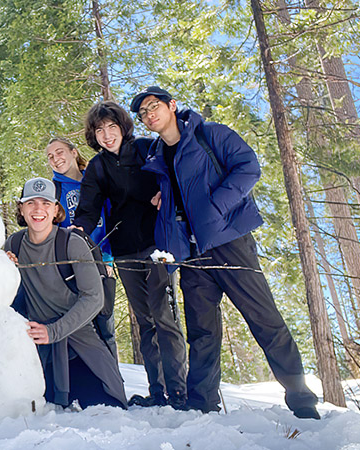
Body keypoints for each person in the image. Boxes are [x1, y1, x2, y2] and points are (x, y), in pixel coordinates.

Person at [132, 86, 319, 419]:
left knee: (264, 319)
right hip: (192, 255)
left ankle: (301, 398)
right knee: (202, 332)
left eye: (153, 106)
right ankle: (201, 404)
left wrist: (215, 208)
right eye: (143, 113)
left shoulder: (209, 134)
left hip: (230, 243)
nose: (149, 115)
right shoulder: (158, 158)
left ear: (172, 105)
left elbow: (248, 167)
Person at [73, 101, 189, 409]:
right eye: (100, 130)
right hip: (125, 252)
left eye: (112, 128)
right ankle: (157, 391)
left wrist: (167, 194)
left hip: (157, 246)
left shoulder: (146, 149)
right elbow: (87, 208)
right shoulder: (98, 167)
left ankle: (178, 391)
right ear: (93, 135)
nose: (107, 135)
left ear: (123, 128)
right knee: (144, 320)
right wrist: (76, 234)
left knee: (164, 317)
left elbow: (174, 176)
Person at [5, 177, 128, 410]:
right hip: (40, 346)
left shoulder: (71, 242)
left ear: (56, 210)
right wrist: (4, 267)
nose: (38, 209)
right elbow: (5, 295)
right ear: (21, 208)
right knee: (42, 409)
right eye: (31, 203)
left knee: (103, 409)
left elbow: (94, 298)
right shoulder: (14, 245)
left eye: (46, 203)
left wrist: (54, 331)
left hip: (78, 338)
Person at [46, 137, 118, 357]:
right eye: (50, 157)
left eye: (60, 152)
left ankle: (113, 383)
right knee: (80, 326)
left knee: (105, 325)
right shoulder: (53, 190)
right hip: (73, 266)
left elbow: (112, 216)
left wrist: (108, 258)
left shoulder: (96, 179)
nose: (56, 159)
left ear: (74, 152)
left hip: (102, 259)